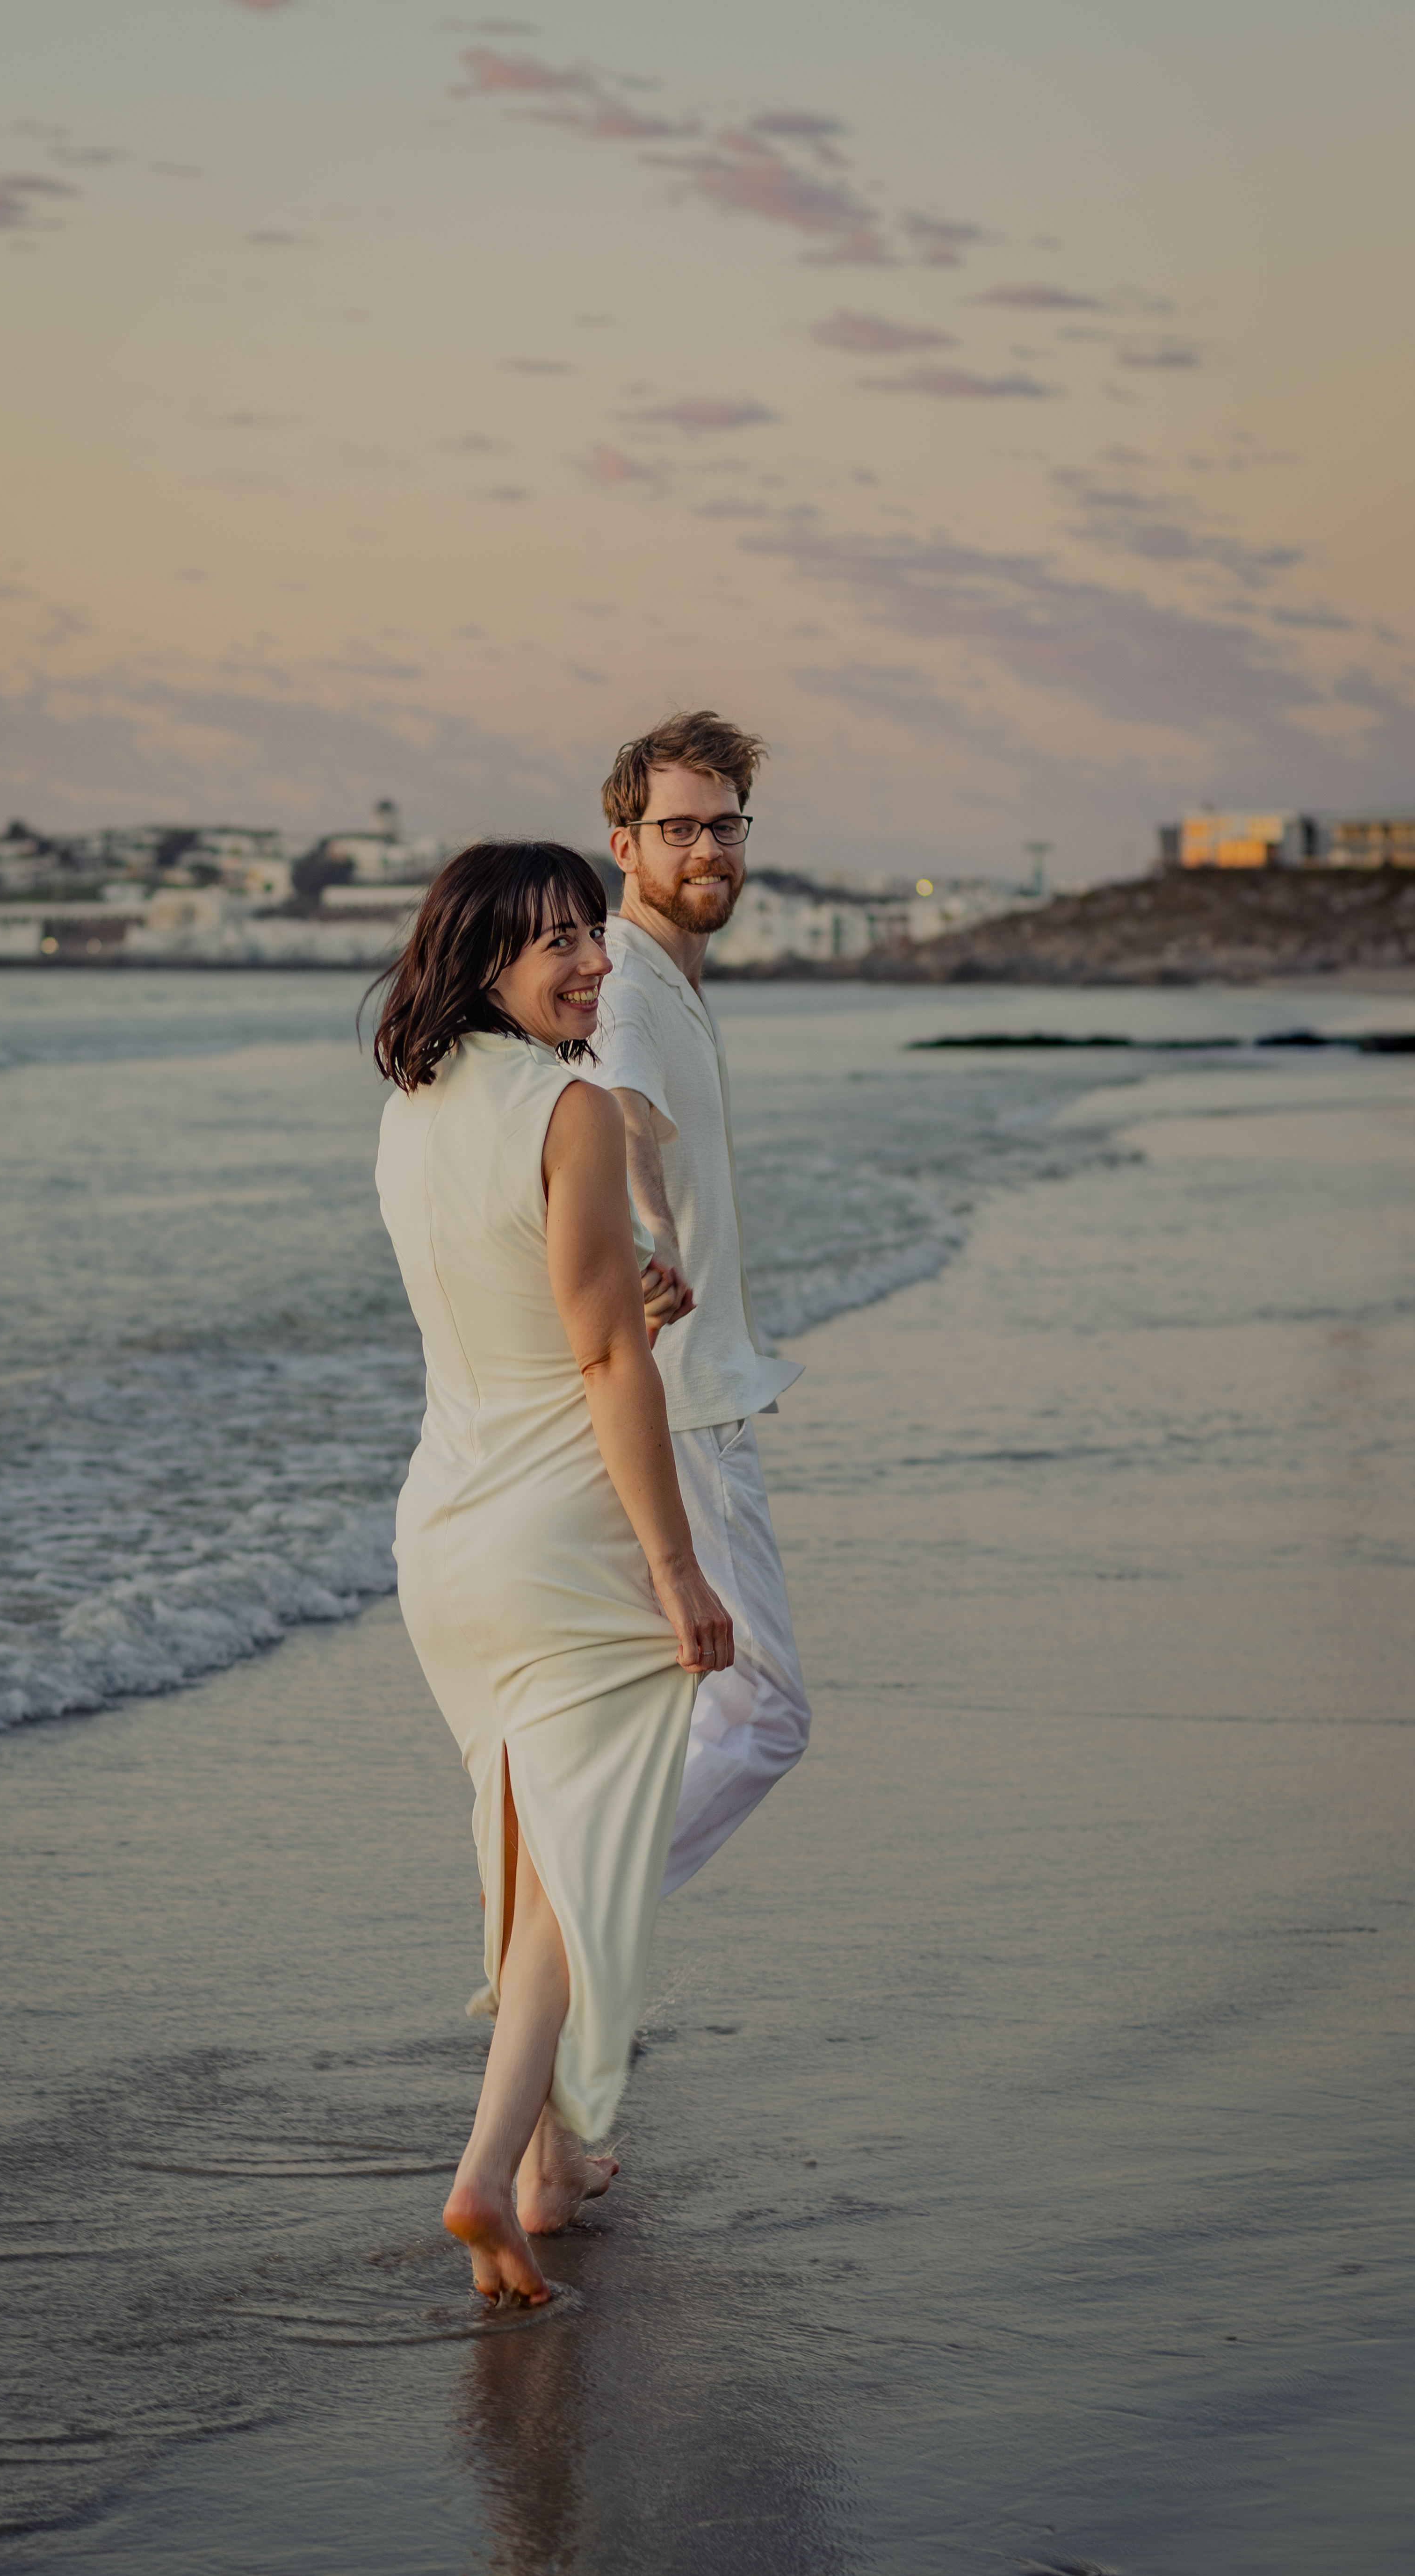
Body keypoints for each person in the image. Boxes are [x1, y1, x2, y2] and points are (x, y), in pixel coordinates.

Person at [373, 839, 733, 2305]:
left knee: (530, 1854)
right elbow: (595, 1359)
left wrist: (616, 1308)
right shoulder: (572, 1106)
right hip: (559, 1539)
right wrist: (678, 1567)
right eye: (554, 944)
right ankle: (487, 2170)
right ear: (482, 965)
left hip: (443, 1529)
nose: (592, 961)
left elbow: (507, 1299)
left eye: (593, 931)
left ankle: (539, 2168)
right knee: (569, 1882)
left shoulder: (413, 1103)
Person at [595, 711, 811, 1898]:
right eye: (677, 829)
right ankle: (574, 1933)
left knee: (659, 1704)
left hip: (670, 1395)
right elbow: (621, 1109)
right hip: (683, 1403)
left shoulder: (665, 977)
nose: (708, 851)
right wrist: (649, 1234)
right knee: (765, 1712)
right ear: (623, 843)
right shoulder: (627, 979)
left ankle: (564, 1978)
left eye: (725, 825)